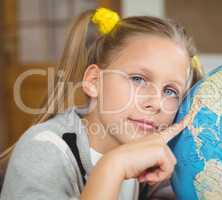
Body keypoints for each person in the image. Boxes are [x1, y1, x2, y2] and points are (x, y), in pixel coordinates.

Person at [0, 7, 203, 200]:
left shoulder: (147, 153)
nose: (156, 103)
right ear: (94, 81)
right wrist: (113, 166)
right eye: (138, 79)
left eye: (170, 91)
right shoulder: (43, 149)